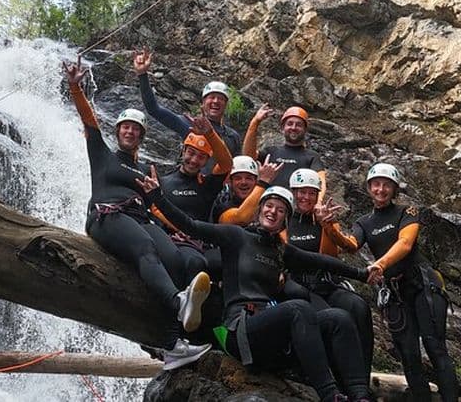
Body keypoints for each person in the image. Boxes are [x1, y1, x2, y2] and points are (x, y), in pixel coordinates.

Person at [137, 171, 375, 402]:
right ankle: (330, 395)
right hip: (238, 331)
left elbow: (322, 262)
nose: (273, 212)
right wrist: (158, 197)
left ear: (285, 220)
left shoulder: (282, 251)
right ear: (260, 209)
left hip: (272, 335)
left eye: (281, 210)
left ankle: (360, 396)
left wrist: (362, 274)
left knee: (339, 318)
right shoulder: (236, 237)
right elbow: (191, 225)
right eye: (269, 206)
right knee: (298, 308)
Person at [63, 56, 211, 371]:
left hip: (141, 218)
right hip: (108, 216)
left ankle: (172, 345)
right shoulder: (102, 154)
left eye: (135, 129)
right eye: (125, 127)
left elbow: (156, 205)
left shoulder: (146, 168)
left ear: (141, 136)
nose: (129, 132)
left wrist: (179, 229)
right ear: (118, 131)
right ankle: (178, 303)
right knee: (145, 248)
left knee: (175, 259)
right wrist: (76, 87)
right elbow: (88, 118)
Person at [346, 163, 461, 402]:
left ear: (394, 189)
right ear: (369, 187)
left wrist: (380, 264)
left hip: (422, 285)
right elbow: (349, 245)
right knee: (408, 354)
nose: (381, 189)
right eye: (376, 184)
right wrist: (328, 226)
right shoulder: (363, 222)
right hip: (395, 294)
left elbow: (405, 243)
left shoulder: (407, 212)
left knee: (435, 347)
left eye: (386, 185)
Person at [282, 168, 374, 382]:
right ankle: (331, 377)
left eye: (311, 193)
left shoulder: (325, 218)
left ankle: (361, 379)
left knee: (358, 308)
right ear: (293, 192)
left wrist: (326, 226)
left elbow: (331, 257)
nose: (305, 197)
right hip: (297, 284)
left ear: (317, 196)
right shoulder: (284, 217)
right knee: (331, 317)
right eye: (300, 192)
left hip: (325, 281)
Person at [150, 114, 232, 280]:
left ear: (207, 161)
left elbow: (226, 164)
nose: (194, 160)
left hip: (192, 245)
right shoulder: (162, 181)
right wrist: (181, 228)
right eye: (191, 153)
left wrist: (210, 133)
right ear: (183, 151)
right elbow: (154, 208)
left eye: (201, 157)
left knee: (197, 263)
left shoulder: (208, 185)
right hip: (165, 239)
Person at [133, 48, 241, 171]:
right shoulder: (188, 124)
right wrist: (142, 75)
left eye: (220, 98)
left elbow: (236, 167)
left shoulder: (233, 136)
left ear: (226, 104)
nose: (216, 101)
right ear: (203, 102)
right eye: (211, 97)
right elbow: (153, 109)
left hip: (218, 187)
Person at [243, 104, 326, 195]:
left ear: (305, 129)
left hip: (298, 205)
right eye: (290, 124)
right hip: (269, 205)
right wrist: (255, 123)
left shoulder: (312, 156)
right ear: (282, 128)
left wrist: (318, 202)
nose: (293, 128)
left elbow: (320, 180)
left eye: (299, 125)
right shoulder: (271, 152)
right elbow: (248, 157)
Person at [213, 155, 281, 226]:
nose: (243, 182)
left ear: (256, 181)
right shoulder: (222, 208)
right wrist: (263, 182)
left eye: (249, 178)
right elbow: (241, 219)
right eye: (238, 178)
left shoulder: (266, 209)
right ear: (230, 182)